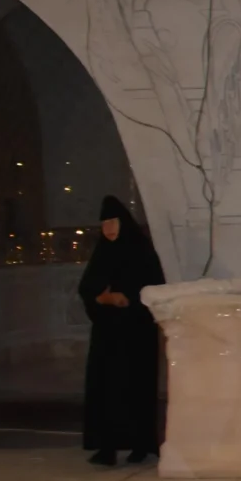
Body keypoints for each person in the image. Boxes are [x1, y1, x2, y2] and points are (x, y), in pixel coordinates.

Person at [78, 196, 165, 466]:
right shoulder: (102, 253)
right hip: (108, 334)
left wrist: (126, 299)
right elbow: (87, 287)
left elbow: (153, 287)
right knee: (106, 390)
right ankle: (107, 448)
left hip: (136, 334)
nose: (108, 228)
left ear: (123, 223)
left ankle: (140, 445)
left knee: (136, 388)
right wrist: (103, 299)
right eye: (104, 223)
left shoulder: (141, 251)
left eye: (113, 222)